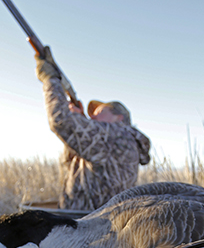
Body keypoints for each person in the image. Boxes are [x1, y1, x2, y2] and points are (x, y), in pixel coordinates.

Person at [35, 47, 151, 212]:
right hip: (94, 223)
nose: (93, 118)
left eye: (98, 112)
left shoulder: (117, 134)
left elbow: (61, 121)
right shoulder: (122, 141)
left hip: (87, 227)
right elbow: (74, 159)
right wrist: (80, 120)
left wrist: (50, 79)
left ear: (120, 118)